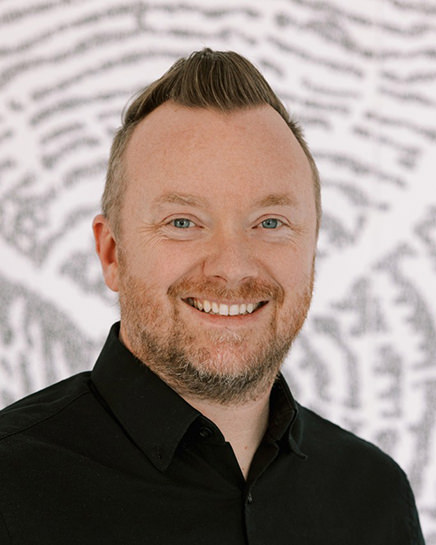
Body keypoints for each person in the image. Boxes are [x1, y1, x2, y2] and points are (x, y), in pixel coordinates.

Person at [0, 48, 425, 544]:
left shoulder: (374, 495)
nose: (232, 267)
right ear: (112, 253)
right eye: (183, 222)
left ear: (311, 249)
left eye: (270, 222)